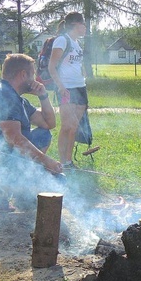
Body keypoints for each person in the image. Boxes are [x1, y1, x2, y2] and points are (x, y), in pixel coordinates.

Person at [0, 54, 64, 211]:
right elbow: (14, 139)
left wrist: (43, 96)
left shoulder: (18, 99)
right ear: (23, 74)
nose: (35, 79)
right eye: (32, 74)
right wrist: (46, 162)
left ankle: (22, 189)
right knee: (53, 183)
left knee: (43, 134)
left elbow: (49, 123)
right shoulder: (4, 95)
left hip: (9, 156)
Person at [48, 12, 88, 169]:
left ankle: (69, 161)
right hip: (67, 88)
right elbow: (52, 66)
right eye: (83, 24)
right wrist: (61, 86)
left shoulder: (77, 43)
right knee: (67, 126)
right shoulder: (62, 40)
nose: (85, 28)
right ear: (75, 25)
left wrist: (84, 76)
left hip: (80, 87)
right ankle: (62, 162)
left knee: (74, 127)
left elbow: (76, 64)